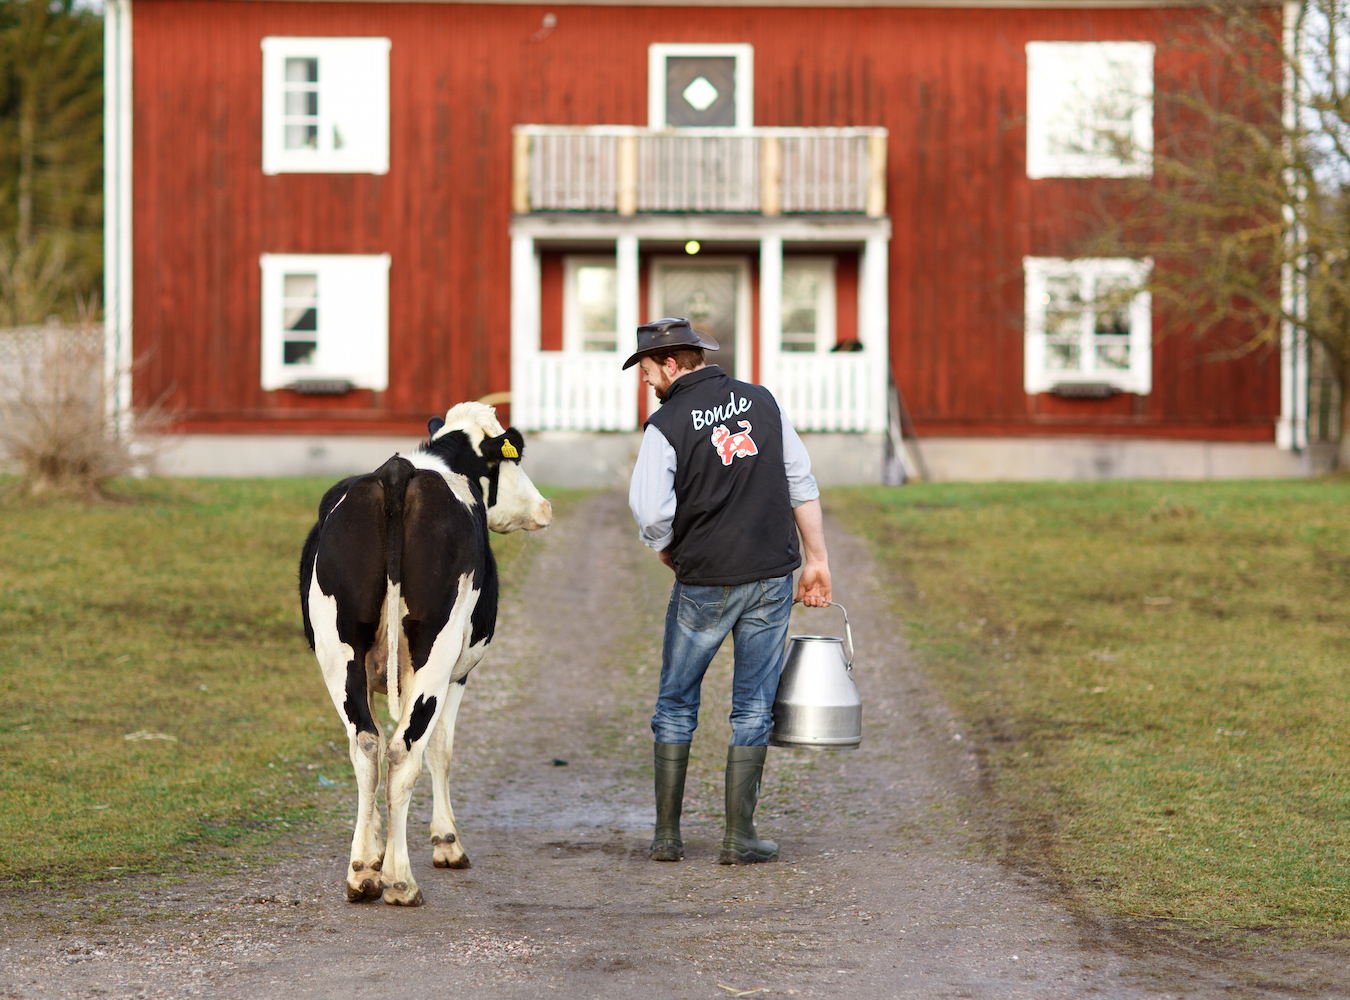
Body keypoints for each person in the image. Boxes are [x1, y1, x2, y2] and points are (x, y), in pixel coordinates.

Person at [625, 316, 831, 865]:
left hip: (705, 582)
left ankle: (667, 837)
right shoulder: (763, 402)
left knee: (675, 704)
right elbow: (800, 481)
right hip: (770, 576)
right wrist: (817, 559)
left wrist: (666, 546)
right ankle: (740, 837)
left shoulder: (664, 425)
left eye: (646, 371)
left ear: (669, 364)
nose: (645, 382)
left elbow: (650, 510)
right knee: (752, 709)